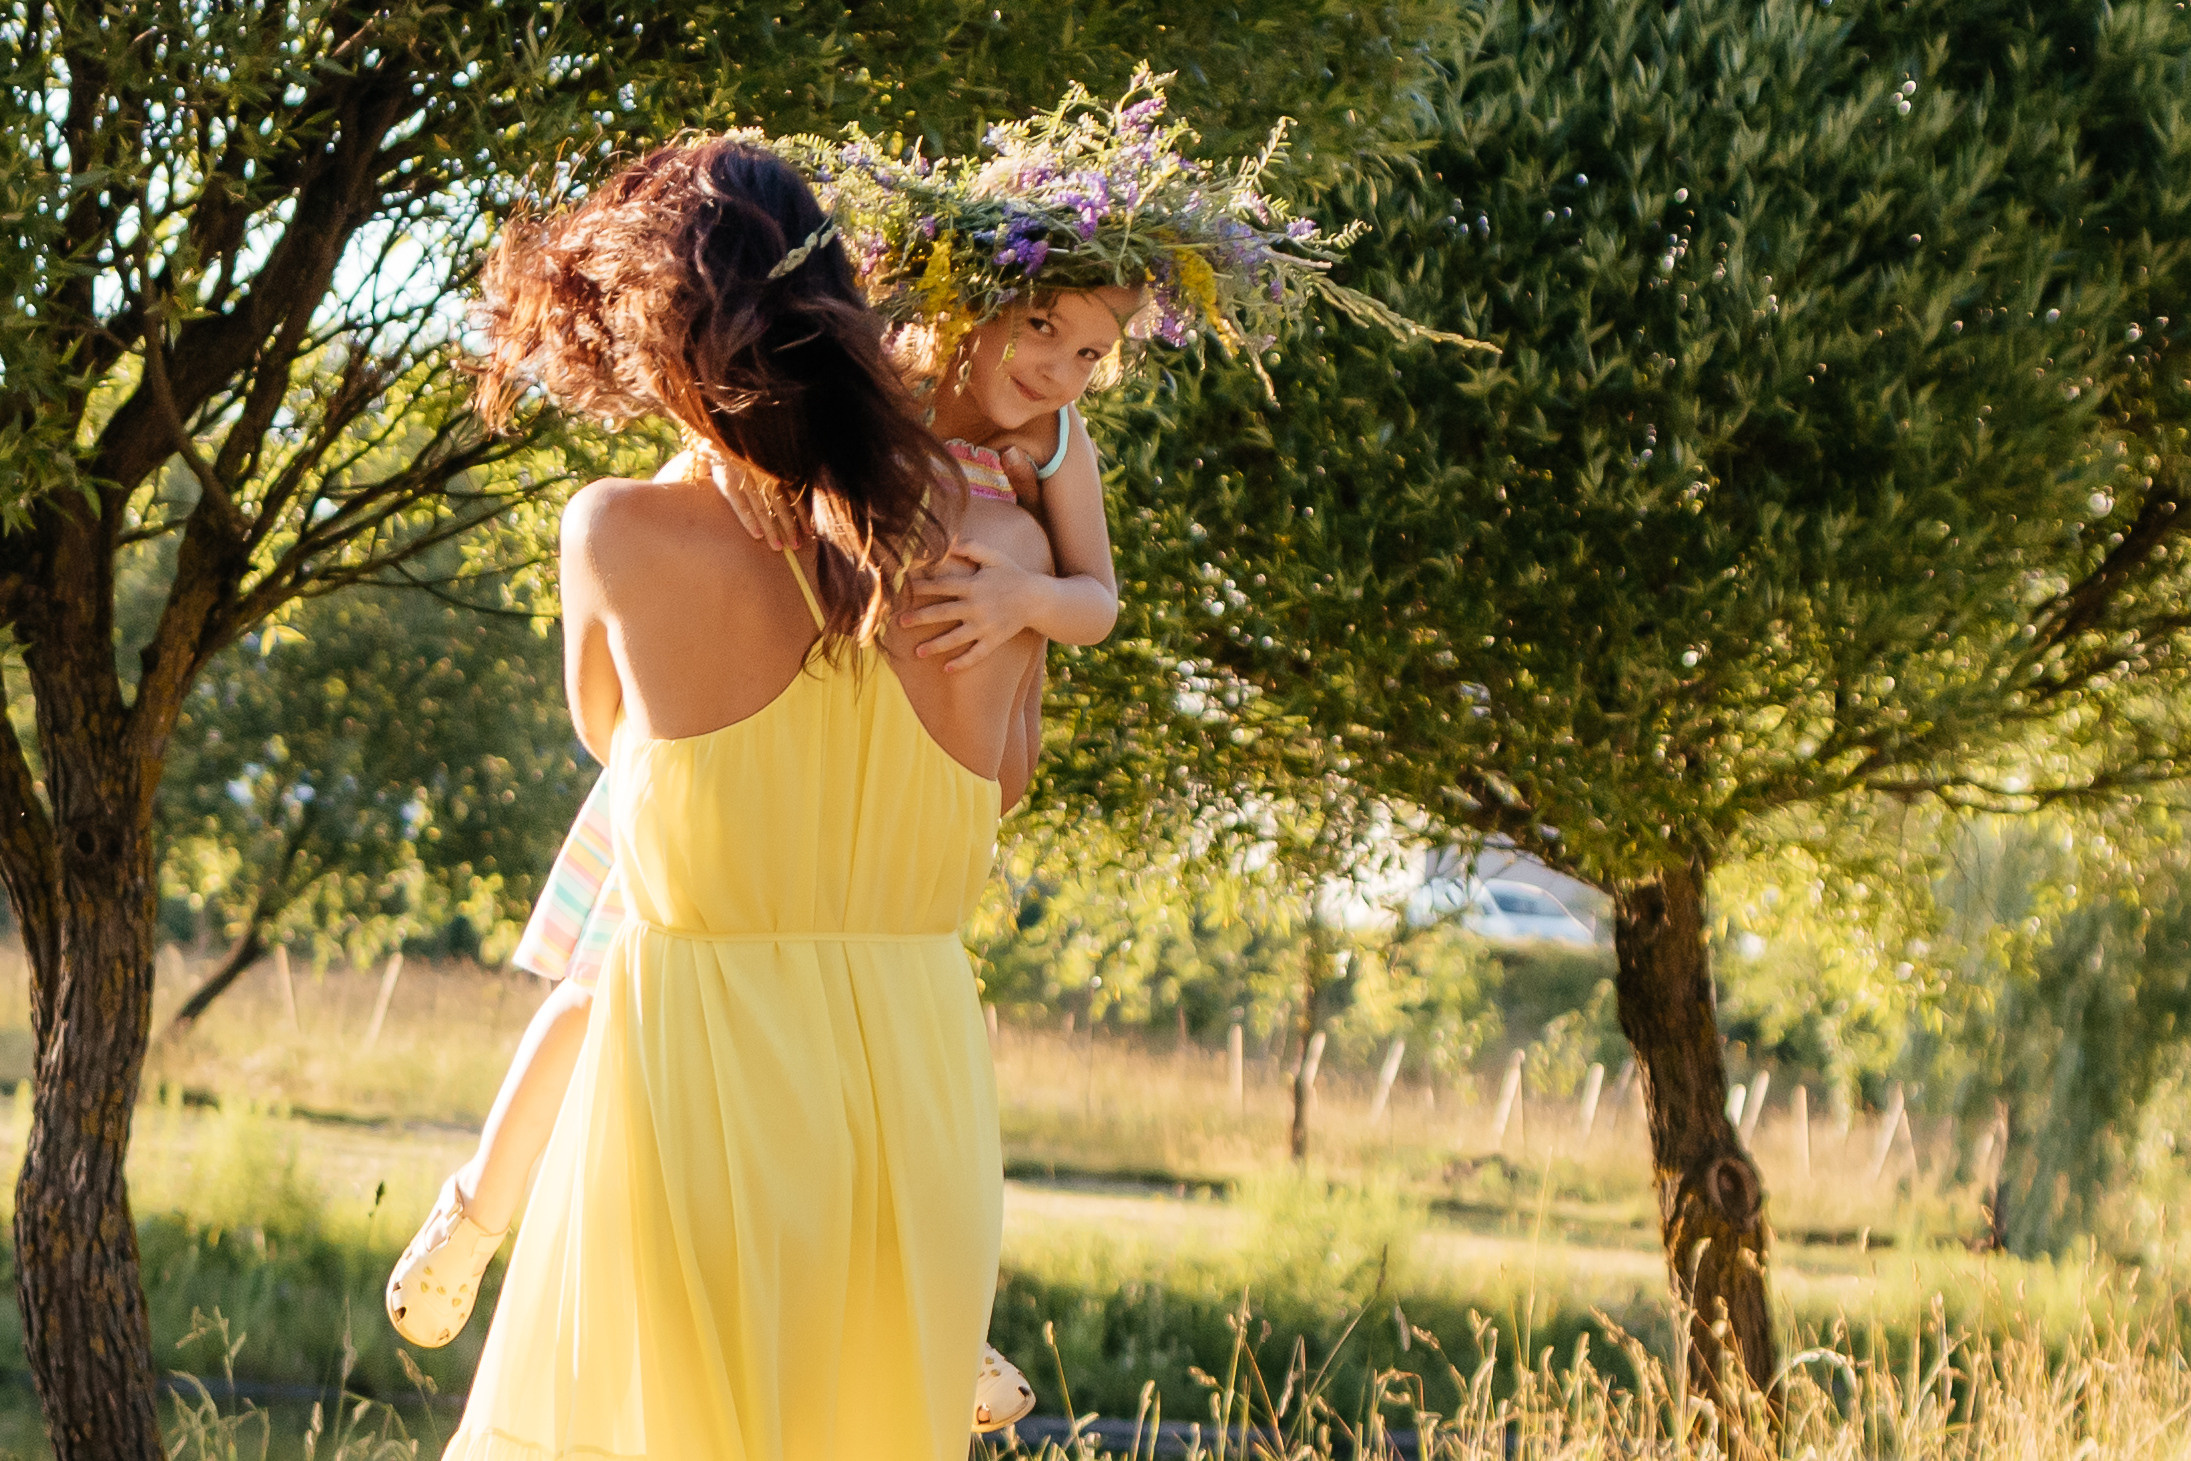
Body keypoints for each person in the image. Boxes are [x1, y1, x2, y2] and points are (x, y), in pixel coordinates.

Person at [430, 133, 1049, 1460]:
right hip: (917, 1076)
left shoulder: (616, 533)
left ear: (656, 340)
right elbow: (1003, 778)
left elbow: (615, 742)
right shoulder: (1004, 547)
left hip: (699, 1070)